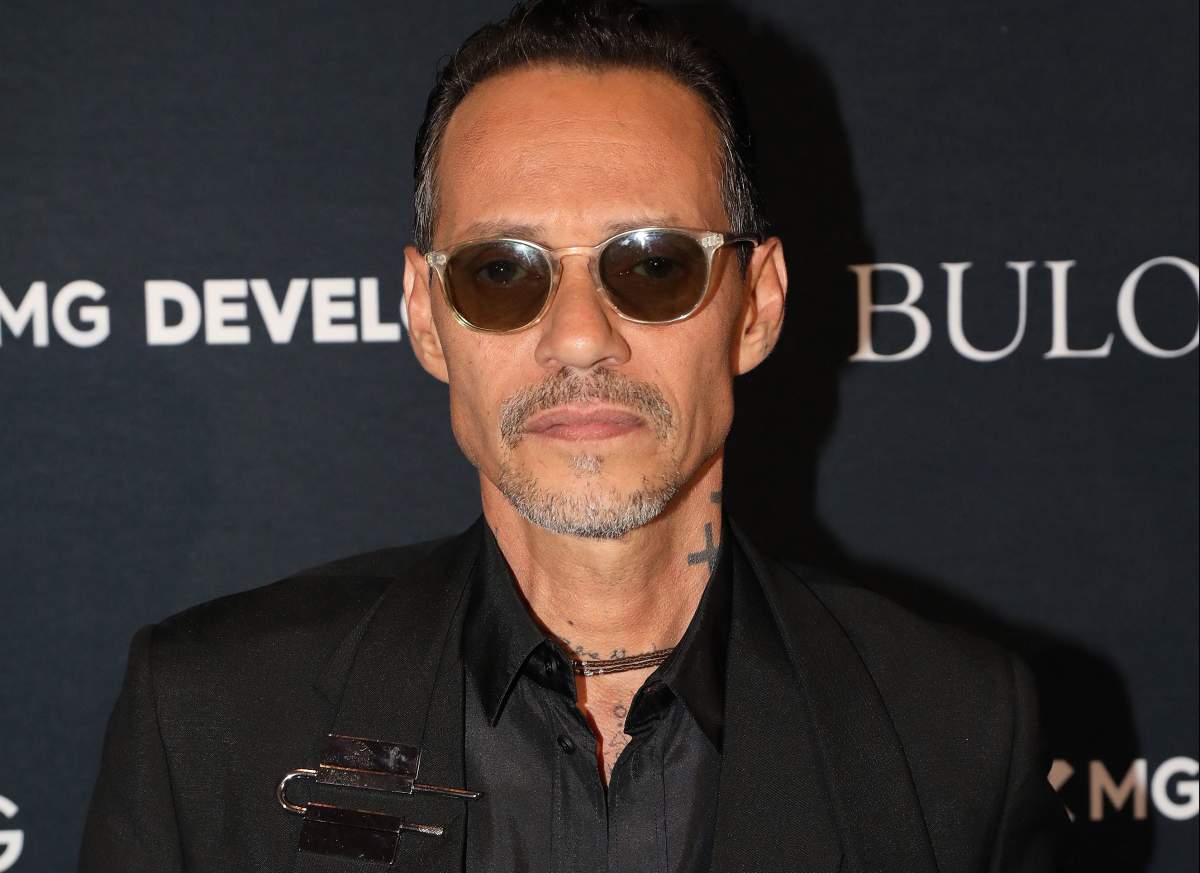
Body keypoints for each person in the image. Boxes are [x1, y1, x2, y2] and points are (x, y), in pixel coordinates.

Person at [79, 1, 1067, 870]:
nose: (581, 336)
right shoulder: (211, 722)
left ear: (757, 305)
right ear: (426, 317)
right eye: (502, 272)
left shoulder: (954, 733)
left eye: (654, 265)